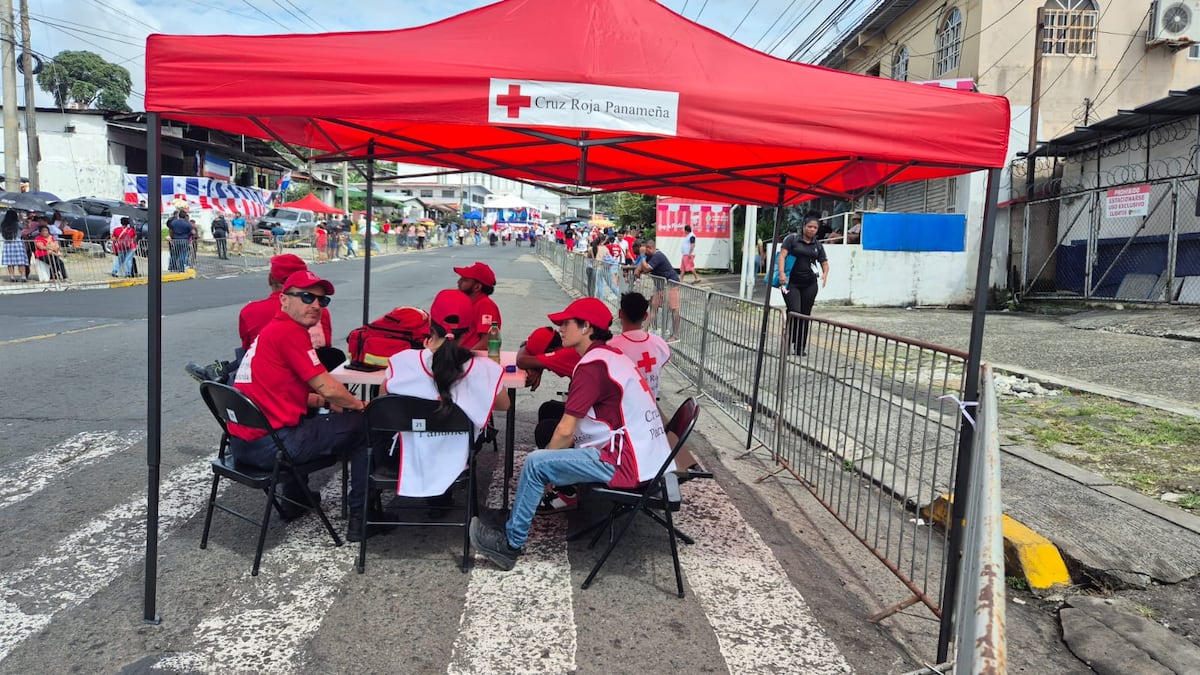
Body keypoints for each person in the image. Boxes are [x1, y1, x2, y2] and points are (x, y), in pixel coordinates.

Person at [468, 297, 674, 571]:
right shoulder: (609, 356)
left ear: (586, 327)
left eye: (566, 323)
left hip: (626, 462)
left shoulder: (593, 366)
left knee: (536, 463)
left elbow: (565, 430)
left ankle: (510, 545)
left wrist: (548, 472)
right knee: (547, 452)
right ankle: (515, 520)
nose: (560, 329)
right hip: (645, 456)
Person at [228, 269, 376, 540]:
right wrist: (359, 405)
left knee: (316, 417)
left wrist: (325, 401)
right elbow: (327, 385)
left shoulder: (271, 331)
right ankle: (363, 518)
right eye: (307, 297)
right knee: (363, 425)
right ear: (284, 299)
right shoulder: (289, 332)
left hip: (242, 445)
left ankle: (296, 500)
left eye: (322, 300)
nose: (316, 305)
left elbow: (280, 391)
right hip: (271, 447)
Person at [381, 289, 510, 497]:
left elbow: (383, 397)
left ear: (430, 325)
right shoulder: (484, 368)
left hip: (409, 453)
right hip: (459, 455)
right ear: (468, 329)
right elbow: (504, 405)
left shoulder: (403, 361)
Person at [240, 253, 333, 353]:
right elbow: (326, 347)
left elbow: (247, 348)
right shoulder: (319, 310)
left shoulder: (249, 311)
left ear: (270, 279)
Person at [777, 217, 829, 356]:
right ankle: (787, 343)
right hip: (790, 283)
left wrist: (825, 274)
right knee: (794, 311)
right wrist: (781, 274)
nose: (812, 230)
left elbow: (824, 262)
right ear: (804, 226)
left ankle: (800, 347)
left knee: (805, 315)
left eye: (815, 228)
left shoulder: (817, 245)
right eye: (810, 226)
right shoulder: (792, 239)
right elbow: (782, 256)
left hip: (810, 284)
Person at [636, 239, 681, 342]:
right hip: (661, 286)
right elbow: (642, 265)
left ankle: (675, 335)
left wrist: (642, 256)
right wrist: (638, 268)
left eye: (645, 250)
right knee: (654, 307)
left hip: (671, 284)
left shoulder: (658, 256)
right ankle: (644, 330)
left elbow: (646, 268)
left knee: (674, 309)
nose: (643, 253)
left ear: (650, 248)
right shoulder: (649, 256)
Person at [453, 262, 501, 350]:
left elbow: (487, 341)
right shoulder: (467, 303)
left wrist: (465, 356)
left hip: (471, 357)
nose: (459, 282)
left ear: (477, 287)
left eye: (464, 280)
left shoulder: (485, 305)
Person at [2, 210, 28, 282]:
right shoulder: (17, 223)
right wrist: (22, 219)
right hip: (17, 242)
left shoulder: (3, 224)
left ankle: (12, 276)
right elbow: (26, 227)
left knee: (10, 261)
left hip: (7, 243)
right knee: (21, 261)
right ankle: (23, 276)